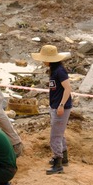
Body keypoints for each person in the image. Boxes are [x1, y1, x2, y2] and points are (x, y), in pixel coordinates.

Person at [31, 45, 72, 175]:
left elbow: (68, 89)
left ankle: (58, 162)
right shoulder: (54, 70)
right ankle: (63, 157)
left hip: (61, 107)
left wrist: (61, 105)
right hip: (55, 106)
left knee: (55, 136)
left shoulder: (59, 71)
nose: (42, 61)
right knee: (59, 134)